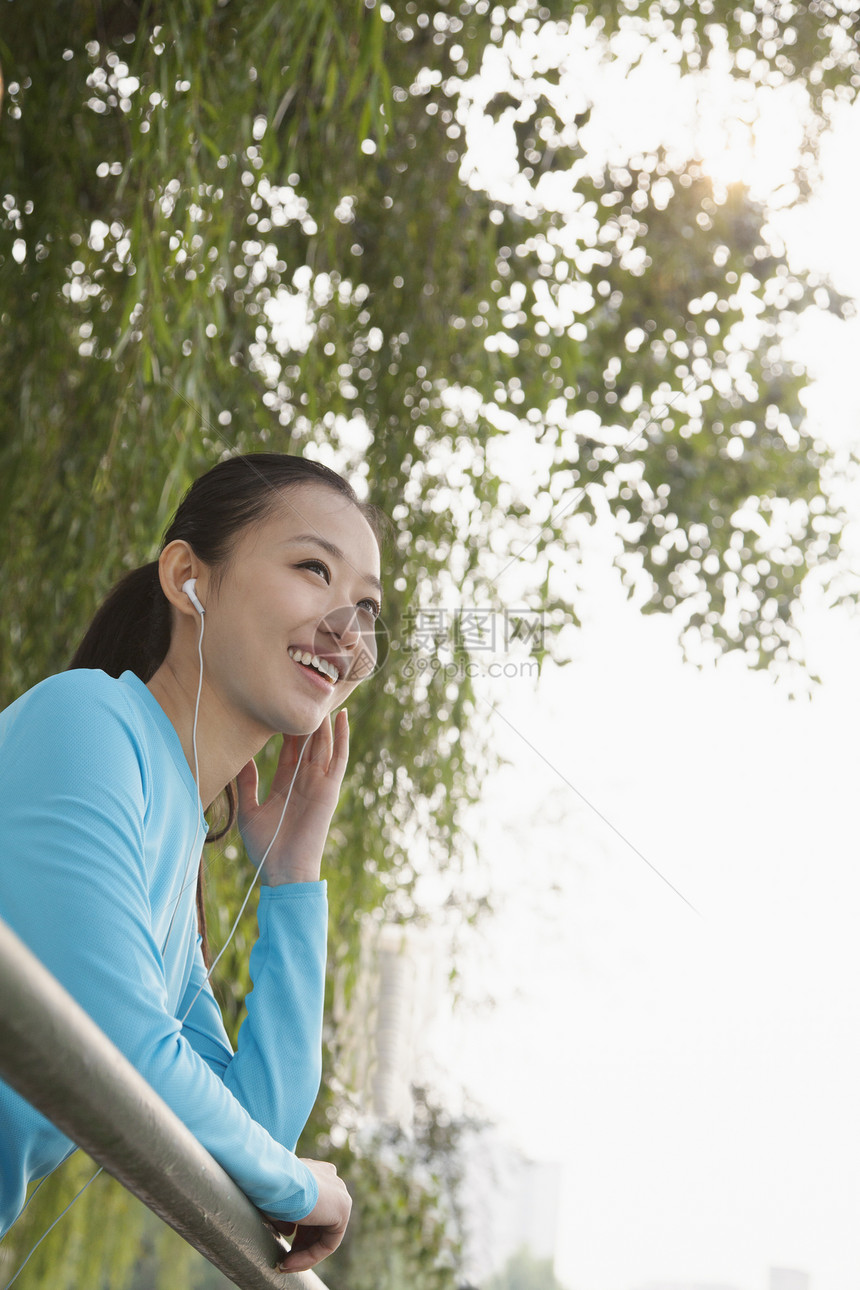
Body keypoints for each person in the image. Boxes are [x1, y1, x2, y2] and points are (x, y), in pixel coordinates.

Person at [0, 452, 386, 1273]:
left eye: (367, 608)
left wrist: (291, 877)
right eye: (313, 569)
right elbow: (123, 1049)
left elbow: (241, 1139)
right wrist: (300, 1184)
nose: (347, 630)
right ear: (188, 577)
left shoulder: (173, 848)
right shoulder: (87, 723)